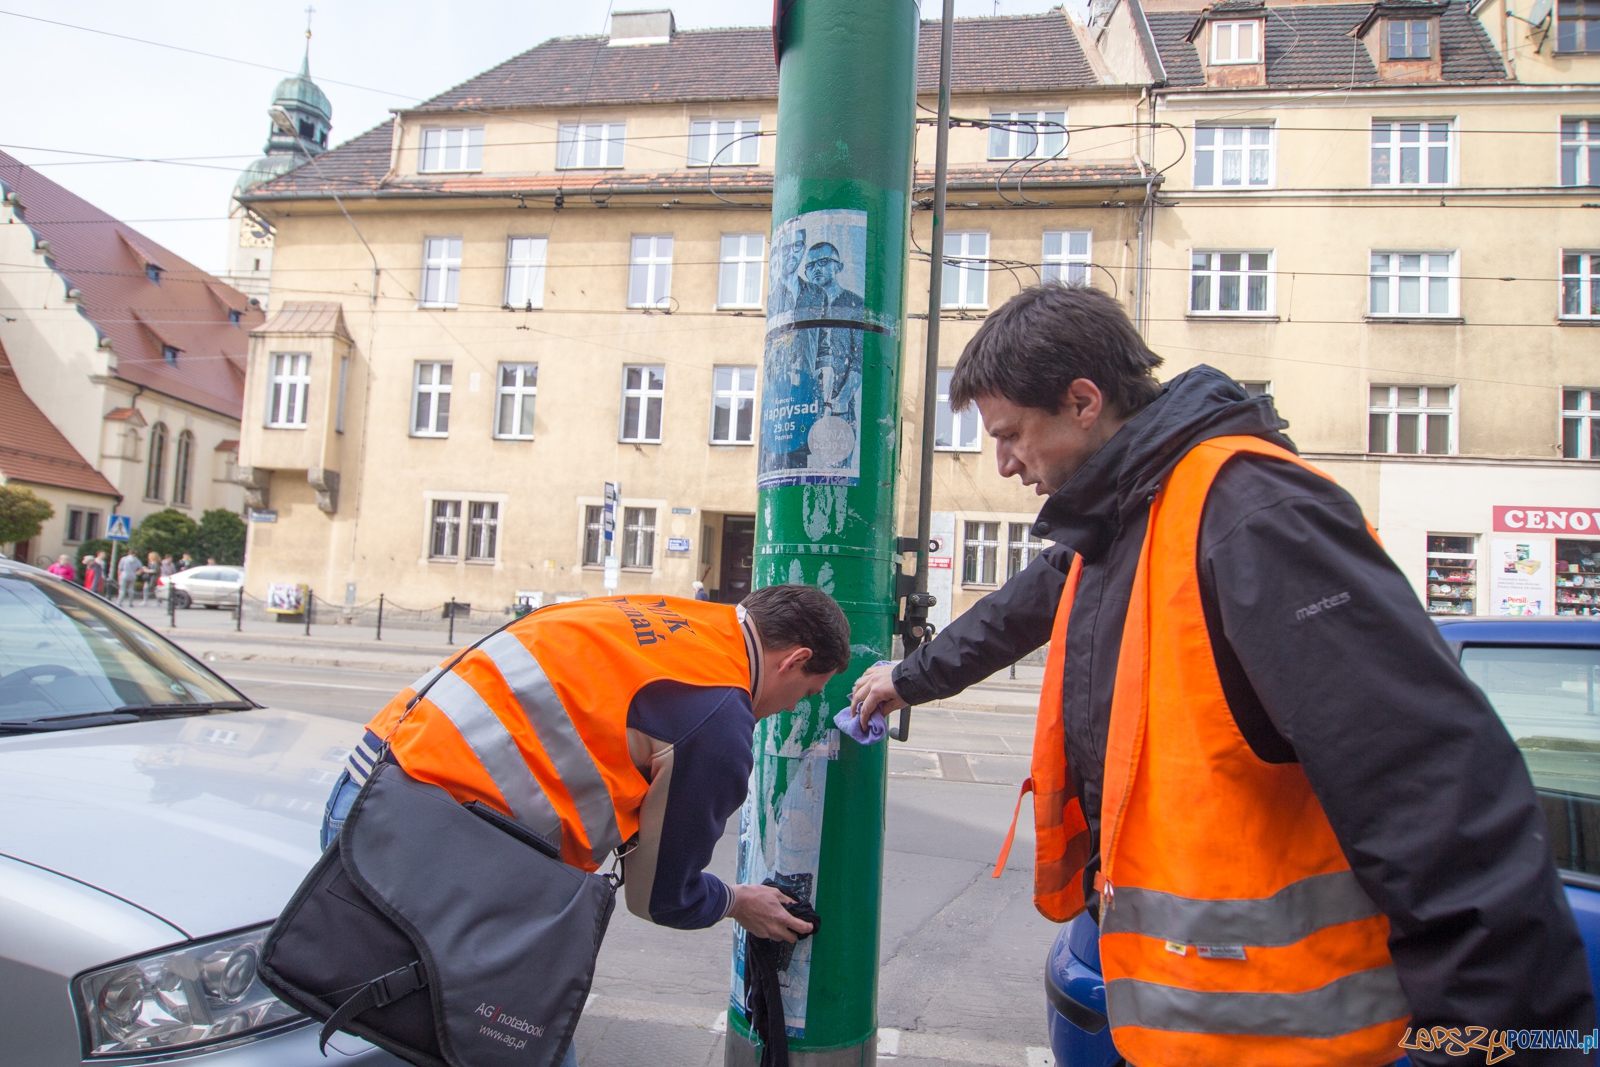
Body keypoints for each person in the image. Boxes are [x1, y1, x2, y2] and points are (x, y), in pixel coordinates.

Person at [851, 285, 1595, 1064]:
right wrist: (908, 678)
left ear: (1082, 401)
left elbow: (1435, 793)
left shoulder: (1251, 512)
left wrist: (1498, 1047)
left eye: (1010, 435)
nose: (1003, 464)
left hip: (1299, 1039)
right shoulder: (1120, 518)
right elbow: (1016, 609)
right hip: (1197, 1027)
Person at [322, 585, 845, 1045]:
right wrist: (737, 901)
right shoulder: (717, 717)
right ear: (793, 661)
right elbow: (662, 898)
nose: (792, 708)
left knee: (394, 1029)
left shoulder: (665, 612)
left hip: (370, 788)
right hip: (433, 845)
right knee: (515, 1042)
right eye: (806, 693)